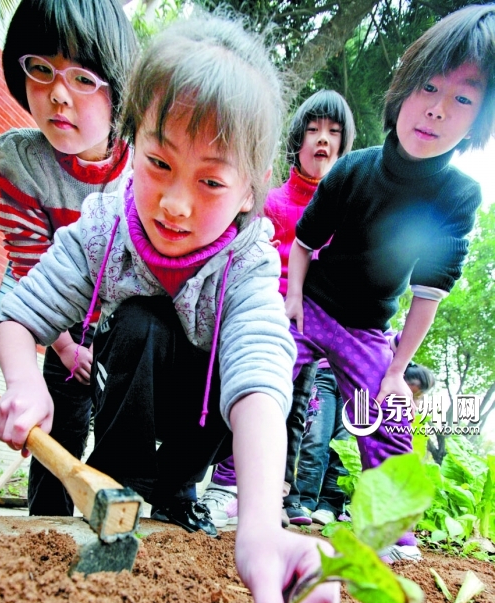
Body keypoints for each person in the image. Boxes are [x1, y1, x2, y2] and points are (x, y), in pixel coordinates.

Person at [0, 15, 340, 603]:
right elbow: (19, 311)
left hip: (202, 418)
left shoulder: (249, 260)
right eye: (158, 164)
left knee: (229, 373)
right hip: (129, 391)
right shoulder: (106, 227)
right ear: (132, 143)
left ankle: (176, 491)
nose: (175, 204)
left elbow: (261, 371)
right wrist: (24, 380)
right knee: (143, 322)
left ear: (250, 188)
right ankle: (115, 488)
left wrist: (261, 523)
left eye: (210, 181)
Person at [285, 4, 495, 563]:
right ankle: (232, 487)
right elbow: (303, 245)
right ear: (403, 88)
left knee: (391, 414)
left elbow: (429, 291)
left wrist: (398, 371)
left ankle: (387, 528)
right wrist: (291, 301)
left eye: (463, 99)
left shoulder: (458, 196)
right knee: (262, 371)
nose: (436, 110)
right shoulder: (353, 169)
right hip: (311, 306)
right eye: (428, 86)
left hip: (369, 327)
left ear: (479, 119)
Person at [0, 0, 138, 516]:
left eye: (82, 78)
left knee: (123, 432)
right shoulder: (22, 162)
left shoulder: (147, 166)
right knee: (63, 425)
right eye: (41, 69)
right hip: (55, 317)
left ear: (119, 88)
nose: (57, 94)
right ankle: (44, 530)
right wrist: (67, 350)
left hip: (121, 319)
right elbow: (31, 275)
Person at [200, 90, 355, 528]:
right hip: (268, 319)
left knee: (297, 410)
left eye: (333, 133)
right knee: (257, 395)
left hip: (316, 326)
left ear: (343, 147)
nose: (322, 140)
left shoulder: (346, 210)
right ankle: (226, 485)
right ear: (298, 141)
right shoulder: (271, 201)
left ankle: (277, 496)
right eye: (313, 130)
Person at [300, 358, 436, 526]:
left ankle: (330, 506)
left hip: (356, 380)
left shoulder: (387, 356)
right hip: (323, 374)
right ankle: (304, 501)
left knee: (345, 446)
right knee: (314, 441)